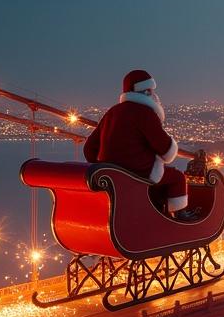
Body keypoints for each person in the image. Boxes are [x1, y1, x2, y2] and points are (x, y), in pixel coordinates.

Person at [84, 69, 200, 221]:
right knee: (177, 177)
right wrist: (170, 146)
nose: (154, 94)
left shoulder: (112, 112)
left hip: (111, 172)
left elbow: (88, 149)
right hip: (139, 172)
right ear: (145, 92)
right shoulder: (144, 113)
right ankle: (179, 216)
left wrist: (103, 166)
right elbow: (166, 150)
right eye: (151, 90)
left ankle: (156, 212)